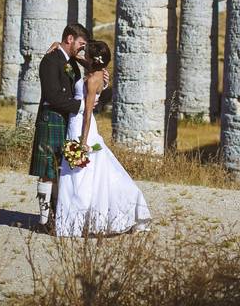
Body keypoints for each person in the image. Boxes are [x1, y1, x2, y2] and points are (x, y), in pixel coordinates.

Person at [55, 40, 152, 236]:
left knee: (78, 174)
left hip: (81, 124)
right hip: (79, 122)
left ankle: (73, 224)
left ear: (93, 58)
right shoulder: (97, 72)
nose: (84, 54)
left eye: (86, 52)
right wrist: (60, 48)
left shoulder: (92, 80)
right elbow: (82, 61)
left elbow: (88, 112)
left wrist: (82, 142)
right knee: (97, 172)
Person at [28, 23, 88, 229]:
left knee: (60, 171)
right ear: (70, 39)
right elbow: (53, 96)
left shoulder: (71, 62)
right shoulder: (50, 60)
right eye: (81, 44)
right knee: (48, 172)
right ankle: (44, 221)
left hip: (66, 120)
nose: (82, 48)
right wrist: (81, 107)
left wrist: (81, 59)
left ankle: (57, 217)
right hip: (52, 118)